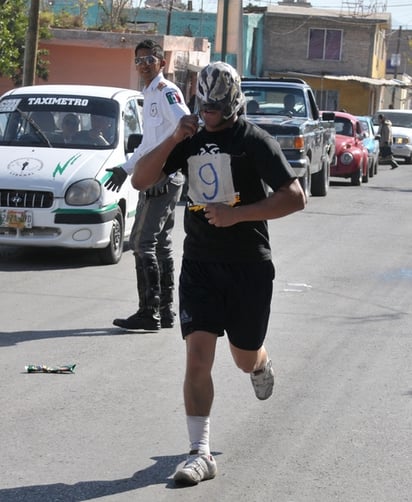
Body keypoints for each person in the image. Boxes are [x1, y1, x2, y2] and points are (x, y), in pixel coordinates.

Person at [131, 61, 306, 485]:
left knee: (244, 358)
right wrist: (175, 135)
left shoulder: (254, 141)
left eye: (216, 109)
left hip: (248, 264)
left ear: (233, 105)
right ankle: (200, 453)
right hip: (201, 264)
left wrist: (239, 214)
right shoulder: (188, 140)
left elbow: (295, 197)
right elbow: (140, 179)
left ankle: (261, 362)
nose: (208, 115)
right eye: (203, 107)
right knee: (197, 357)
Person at [104, 39, 189, 330]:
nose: (143, 65)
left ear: (161, 63)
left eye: (149, 59)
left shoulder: (165, 92)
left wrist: (164, 168)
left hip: (163, 178)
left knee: (141, 242)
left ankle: (148, 312)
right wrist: (125, 168)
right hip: (156, 174)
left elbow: (186, 126)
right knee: (161, 244)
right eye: (138, 61)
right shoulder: (149, 94)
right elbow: (148, 145)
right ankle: (165, 312)